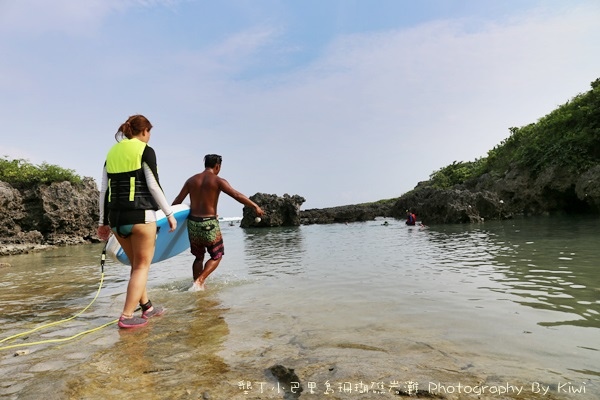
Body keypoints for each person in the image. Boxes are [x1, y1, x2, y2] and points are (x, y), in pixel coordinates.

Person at [97, 115, 176, 329]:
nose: (149, 137)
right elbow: (153, 185)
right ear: (144, 131)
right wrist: (169, 214)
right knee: (142, 267)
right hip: (141, 217)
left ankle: (147, 307)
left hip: (116, 220)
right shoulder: (145, 150)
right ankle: (126, 315)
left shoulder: (111, 152)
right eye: (149, 132)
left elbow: (104, 190)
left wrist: (102, 222)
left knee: (136, 267)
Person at [172, 154, 264, 291]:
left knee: (198, 257)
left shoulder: (191, 180)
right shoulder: (218, 181)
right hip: (209, 223)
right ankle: (199, 281)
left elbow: (177, 202)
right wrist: (255, 206)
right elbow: (236, 195)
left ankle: (197, 285)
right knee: (217, 255)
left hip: (193, 223)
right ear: (217, 166)